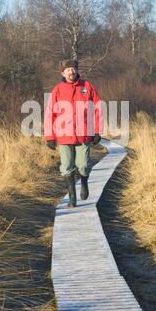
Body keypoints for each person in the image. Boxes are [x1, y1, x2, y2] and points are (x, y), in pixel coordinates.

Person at [44, 59, 102, 207]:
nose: (71, 71)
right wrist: (50, 136)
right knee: (67, 166)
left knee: (83, 165)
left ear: (76, 71)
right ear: (63, 73)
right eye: (68, 69)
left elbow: (97, 108)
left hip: (84, 134)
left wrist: (97, 131)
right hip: (64, 135)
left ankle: (84, 181)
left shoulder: (87, 86)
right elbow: (50, 114)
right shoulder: (57, 90)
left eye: (73, 69)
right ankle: (72, 199)